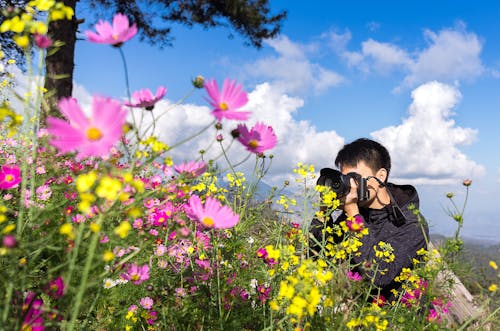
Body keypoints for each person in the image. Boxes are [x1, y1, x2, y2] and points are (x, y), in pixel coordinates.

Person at [309, 138, 429, 303]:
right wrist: (324, 211)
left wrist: (353, 213)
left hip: (396, 320)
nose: (350, 186)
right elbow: (317, 257)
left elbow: (380, 275)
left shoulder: (411, 223)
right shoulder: (356, 211)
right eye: (345, 178)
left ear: (380, 176)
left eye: (355, 178)